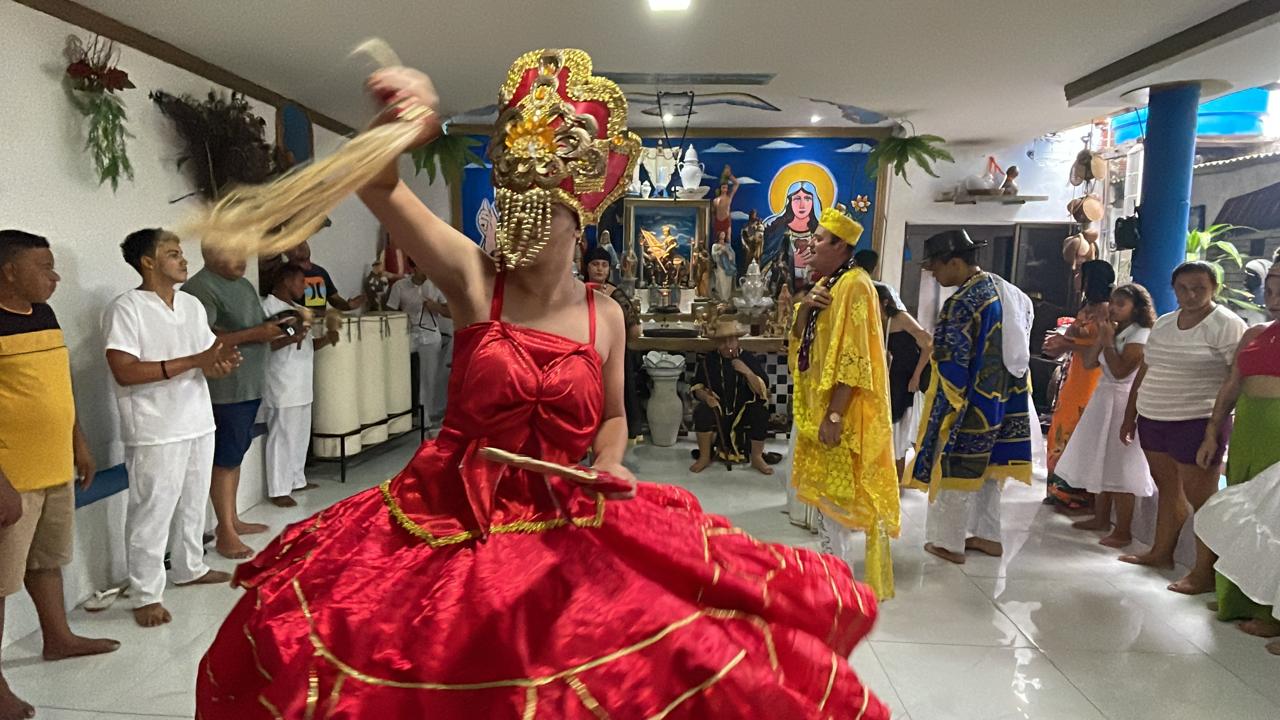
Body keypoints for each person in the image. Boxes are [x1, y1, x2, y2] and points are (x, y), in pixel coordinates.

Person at [196, 49, 888, 719]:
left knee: (635, 665)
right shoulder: (474, 280)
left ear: (578, 219)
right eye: (511, 211)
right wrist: (401, 123)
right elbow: (378, 185)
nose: (518, 230)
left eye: (538, 215)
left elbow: (613, 418)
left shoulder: (604, 315)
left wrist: (611, 462)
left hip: (563, 512)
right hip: (450, 511)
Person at [0, 230, 119, 719]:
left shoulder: (44, 315)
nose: (55, 277)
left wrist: (79, 443)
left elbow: (57, 386)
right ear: (9, 272)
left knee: (46, 561)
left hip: (54, 467)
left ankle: (58, 638)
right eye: (44, 267)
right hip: (12, 478)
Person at [103, 229, 241, 627]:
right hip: (154, 426)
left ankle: (189, 567)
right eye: (173, 254)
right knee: (152, 510)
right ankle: (146, 593)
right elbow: (125, 371)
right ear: (148, 262)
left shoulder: (191, 305)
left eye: (181, 253)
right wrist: (196, 361)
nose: (183, 260)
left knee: (194, 502)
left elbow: (205, 359)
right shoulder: (126, 308)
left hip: (197, 417)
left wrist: (218, 365)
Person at [789, 204, 899, 599]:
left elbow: (856, 358)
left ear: (841, 246)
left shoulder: (855, 285)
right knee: (825, 499)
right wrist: (806, 307)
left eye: (820, 239)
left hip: (842, 412)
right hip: (821, 406)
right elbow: (800, 338)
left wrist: (835, 414)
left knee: (837, 499)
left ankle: (838, 585)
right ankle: (831, 574)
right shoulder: (829, 284)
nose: (811, 244)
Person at [1118, 261, 1247, 594]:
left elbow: (1235, 379)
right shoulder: (1163, 323)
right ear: (1174, 289)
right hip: (1154, 416)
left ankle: (1204, 573)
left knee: (1203, 500)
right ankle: (1161, 553)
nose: (1190, 295)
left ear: (1214, 288)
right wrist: (1130, 415)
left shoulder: (1227, 325)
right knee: (1168, 489)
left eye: (1199, 288)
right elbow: (1145, 370)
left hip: (1197, 420)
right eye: (1183, 288)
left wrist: (1214, 430)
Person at [910, 229, 1035, 565]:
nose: (934, 276)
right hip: (1003, 401)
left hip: (968, 405)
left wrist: (950, 407)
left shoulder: (962, 302)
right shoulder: (1002, 290)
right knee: (989, 473)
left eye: (936, 268)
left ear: (954, 262)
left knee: (954, 470)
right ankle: (989, 536)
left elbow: (951, 361)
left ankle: (948, 543)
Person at [182, 243, 289, 559]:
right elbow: (203, 341)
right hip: (224, 389)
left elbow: (250, 327)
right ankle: (225, 532)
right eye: (233, 252)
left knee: (235, 455)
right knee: (224, 459)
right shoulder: (201, 288)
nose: (242, 260)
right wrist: (256, 334)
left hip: (249, 385)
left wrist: (274, 328)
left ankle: (231, 519)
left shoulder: (242, 285)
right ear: (211, 253)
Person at [1193, 263, 1280, 637]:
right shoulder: (1256, 333)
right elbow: (1231, 384)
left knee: (1274, 518)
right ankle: (1239, 597)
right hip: (1248, 429)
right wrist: (1212, 431)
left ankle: (1272, 612)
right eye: (1270, 290)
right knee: (1243, 512)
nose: (1273, 299)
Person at [1056, 283, 1157, 547]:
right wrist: (1102, 339)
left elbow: (1122, 371)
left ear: (1137, 308)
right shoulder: (1114, 330)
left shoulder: (1141, 334)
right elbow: (1090, 362)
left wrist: (1108, 342)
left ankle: (1123, 530)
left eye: (1121, 304)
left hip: (1122, 401)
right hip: (1103, 398)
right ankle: (1100, 518)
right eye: (1112, 302)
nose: (1113, 308)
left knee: (1120, 464)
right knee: (1099, 458)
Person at [261, 264, 340, 507]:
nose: (304, 287)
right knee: (282, 435)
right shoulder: (267, 307)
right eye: (300, 282)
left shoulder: (299, 310)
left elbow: (306, 345)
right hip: (282, 381)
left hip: (302, 381)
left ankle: (297, 479)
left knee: (300, 434)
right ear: (286, 280)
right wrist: (292, 337)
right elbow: (267, 344)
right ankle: (278, 489)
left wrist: (328, 338)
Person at [1043, 260, 1113, 512]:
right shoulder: (1087, 307)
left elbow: (1104, 346)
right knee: (1061, 424)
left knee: (1078, 427)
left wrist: (1067, 344)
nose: (1075, 278)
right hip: (1075, 375)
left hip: (1093, 376)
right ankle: (1058, 488)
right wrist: (1058, 343)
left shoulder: (1108, 310)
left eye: (1079, 274)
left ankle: (1077, 492)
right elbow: (1071, 338)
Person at [689, 317, 773, 475]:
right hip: (719, 408)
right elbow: (697, 387)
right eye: (722, 341)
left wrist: (746, 371)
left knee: (760, 412)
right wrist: (707, 397)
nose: (727, 346)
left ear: (737, 340)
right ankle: (704, 457)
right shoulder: (709, 360)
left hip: (744, 409)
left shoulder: (748, 358)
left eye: (731, 341)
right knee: (702, 411)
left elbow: (761, 391)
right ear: (716, 342)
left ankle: (757, 457)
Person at [582, 246, 643, 437]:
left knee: (611, 400)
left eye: (604, 265)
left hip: (611, 357)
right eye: (595, 264)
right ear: (587, 267)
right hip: (582, 354)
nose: (600, 269)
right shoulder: (576, 292)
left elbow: (635, 330)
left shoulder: (616, 294)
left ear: (609, 269)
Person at [876, 284, 932, 483]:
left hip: (909, 378)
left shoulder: (900, 318)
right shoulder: (876, 322)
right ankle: (891, 479)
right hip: (893, 379)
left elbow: (928, 344)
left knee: (905, 429)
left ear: (885, 302)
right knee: (893, 430)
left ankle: (905, 478)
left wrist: (916, 376)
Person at [387, 260, 453, 428]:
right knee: (402, 375)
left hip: (430, 336)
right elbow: (390, 313)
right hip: (407, 336)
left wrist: (435, 306)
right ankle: (404, 417)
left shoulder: (436, 286)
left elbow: (450, 312)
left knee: (428, 377)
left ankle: (427, 418)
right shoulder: (400, 286)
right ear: (414, 268)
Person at [762, 181, 822, 289]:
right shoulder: (777, 229)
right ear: (789, 201)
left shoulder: (820, 231)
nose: (802, 205)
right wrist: (791, 260)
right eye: (797, 199)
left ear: (814, 202)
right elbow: (765, 263)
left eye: (807, 198)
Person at [286, 239, 366, 311]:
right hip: (296, 322)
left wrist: (348, 306)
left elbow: (333, 299)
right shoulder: (284, 275)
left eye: (303, 242)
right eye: (296, 245)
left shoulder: (319, 272)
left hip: (320, 321)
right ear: (287, 252)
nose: (302, 246)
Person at [711, 165, 739, 249]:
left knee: (728, 239)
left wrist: (730, 175)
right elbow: (713, 213)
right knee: (716, 240)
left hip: (726, 220)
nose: (725, 189)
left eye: (726, 188)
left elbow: (736, 184)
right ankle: (717, 255)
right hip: (717, 222)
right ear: (720, 188)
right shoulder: (715, 200)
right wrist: (713, 223)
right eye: (723, 187)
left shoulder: (729, 197)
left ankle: (729, 253)